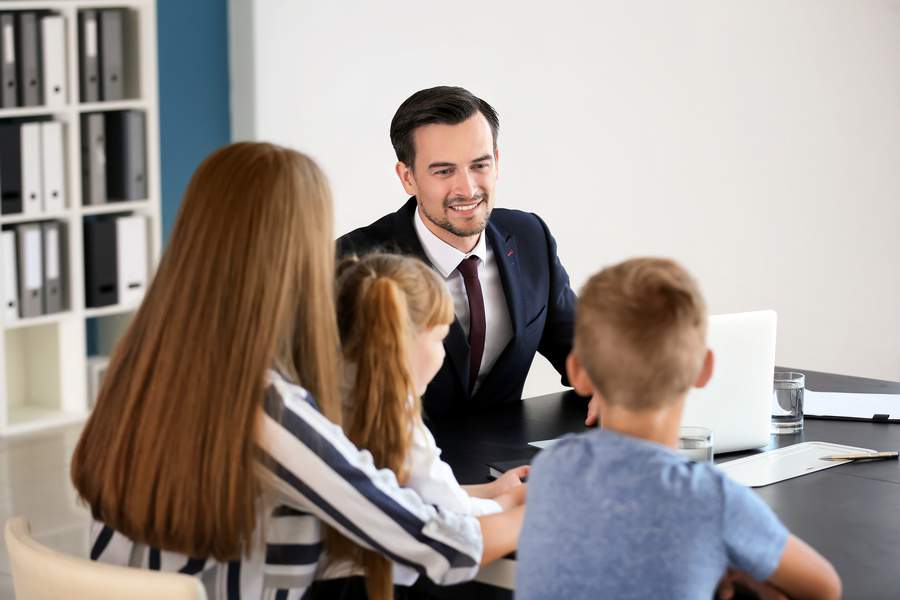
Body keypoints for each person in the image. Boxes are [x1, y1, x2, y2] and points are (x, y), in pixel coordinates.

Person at [69, 142, 524, 599]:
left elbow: (355, 495)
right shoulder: (263, 405)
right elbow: (439, 548)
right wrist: (551, 506)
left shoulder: (141, 366)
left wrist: (490, 497)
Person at [516, 257, 842, 599]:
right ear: (705, 368)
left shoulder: (552, 470)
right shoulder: (713, 500)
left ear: (578, 372)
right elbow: (825, 588)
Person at [338, 86, 577, 417]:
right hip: (397, 464)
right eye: (444, 171)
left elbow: (580, 354)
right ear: (407, 178)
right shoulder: (352, 261)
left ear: (497, 162)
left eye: (480, 165)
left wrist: (615, 394)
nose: (467, 189)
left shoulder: (530, 237)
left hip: (508, 461)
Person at [323, 252, 529, 598]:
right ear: (404, 345)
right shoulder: (395, 414)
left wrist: (492, 491)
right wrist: (519, 505)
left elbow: (404, 492)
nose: (444, 354)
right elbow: (453, 519)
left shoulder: (337, 390)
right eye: (439, 339)